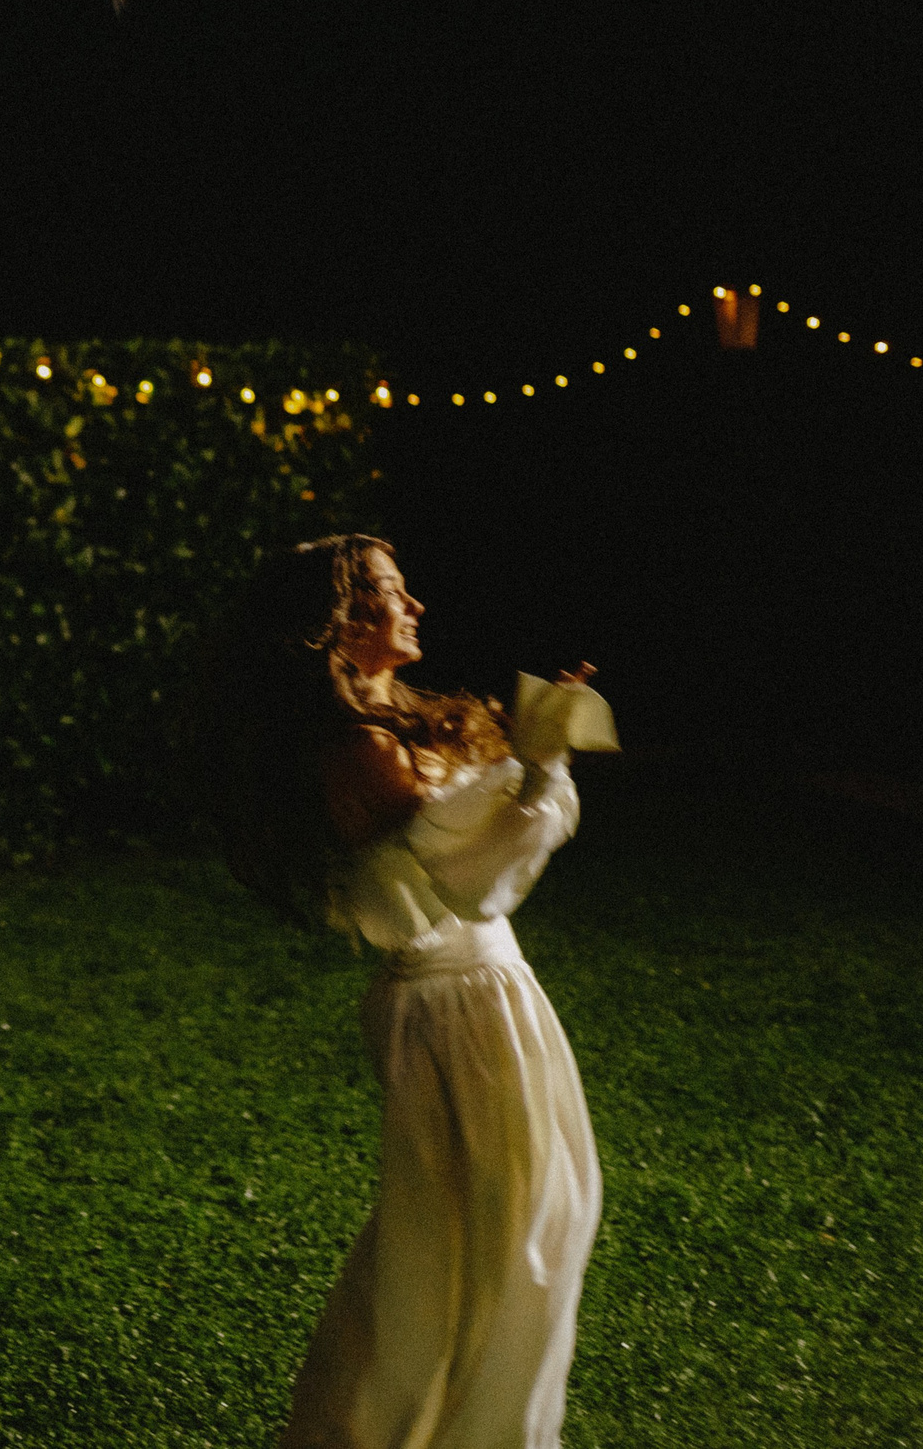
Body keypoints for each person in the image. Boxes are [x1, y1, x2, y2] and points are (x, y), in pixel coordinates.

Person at [195, 532, 618, 1449]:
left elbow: (485, 845)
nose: (415, 605)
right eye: (391, 592)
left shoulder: (403, 722)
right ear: (338, 627)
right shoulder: (354, 748)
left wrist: (538, 745)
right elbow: (465, 871)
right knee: (488, 1247)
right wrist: (538, 765)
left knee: (532, 1224)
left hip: (491, 991)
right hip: (451, 1004)